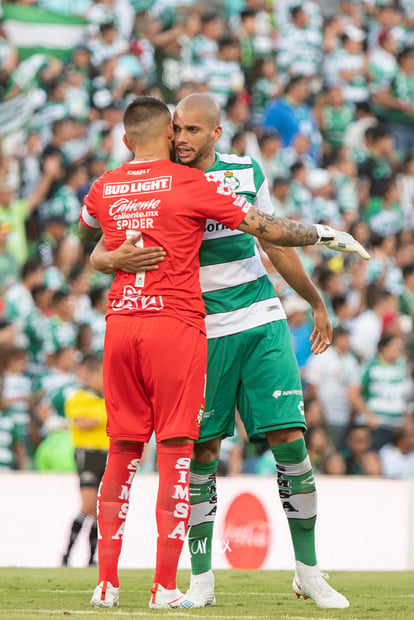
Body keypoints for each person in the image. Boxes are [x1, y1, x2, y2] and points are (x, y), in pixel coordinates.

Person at [87, 95, 367, 609]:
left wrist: (314, 300)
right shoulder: (160, 177)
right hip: (195, 328)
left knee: (289, 438)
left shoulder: (243, 170)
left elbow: (272, 240)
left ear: (217, 134)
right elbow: (104, 245)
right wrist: (108, 259)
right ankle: (200, 581)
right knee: (200, 452)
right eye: (177, 129)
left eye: (194, 129)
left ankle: (308, 570)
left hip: (260, 318)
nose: (183, 138)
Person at [62, 354, 109, 567]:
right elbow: (82, 423)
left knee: (100, 509)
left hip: (106, 454)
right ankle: (67, 554)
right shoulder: (78, 397)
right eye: (100, 374)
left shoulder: (107, 398)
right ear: (89, 375)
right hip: (88, 454)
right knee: (88, 505)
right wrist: (106, 418)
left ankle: (91, 559)